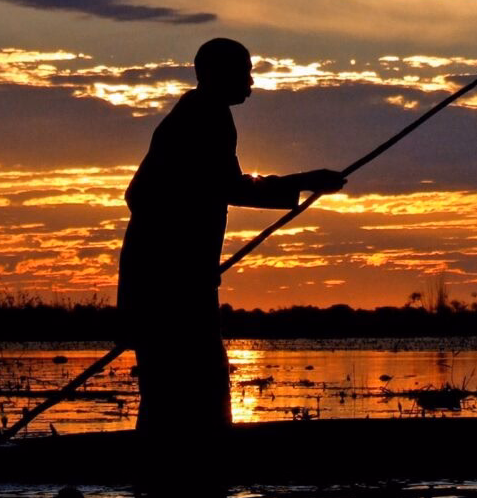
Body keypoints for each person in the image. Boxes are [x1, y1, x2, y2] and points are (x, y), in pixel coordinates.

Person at [117, 37, 343, 440]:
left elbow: (212, 187)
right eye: (244, 71)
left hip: (177, 278)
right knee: (193, 382)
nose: (251, 81)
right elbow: (222, 187)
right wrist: (306, 181)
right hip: (169, 282)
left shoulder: (202, 115)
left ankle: (174, 487)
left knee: (177, 388)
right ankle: (184, 475)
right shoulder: (203, 117)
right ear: (217, 75)